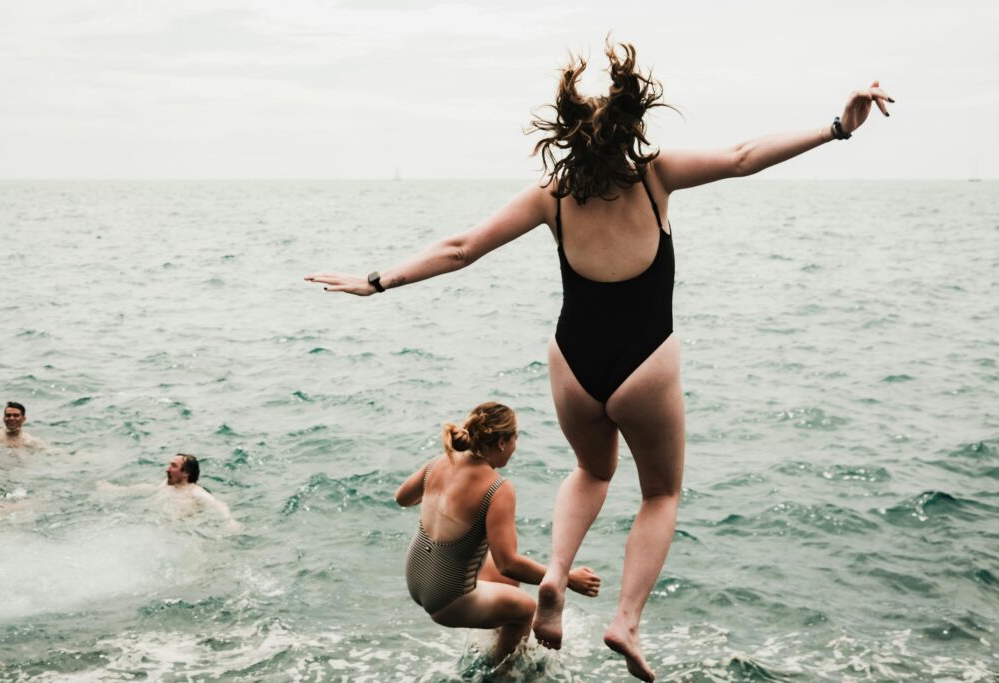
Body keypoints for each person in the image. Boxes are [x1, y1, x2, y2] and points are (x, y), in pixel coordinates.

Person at [307, 40, 892, 681]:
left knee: (590, 468)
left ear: (568, 138)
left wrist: (377, 279)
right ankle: (626, 620)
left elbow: (460, 248)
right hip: (647, 362)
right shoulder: (655, 175)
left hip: (574, 362)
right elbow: (742, 157)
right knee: (661, 492)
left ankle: (554, 574)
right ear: (630, 127)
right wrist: (836, 128)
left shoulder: (551, 196)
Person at [395, 402, 600, 665]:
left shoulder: (440, 462)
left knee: (501, 573)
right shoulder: (497, 488)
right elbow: (509, 564)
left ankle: (495, 637)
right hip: (447, 600)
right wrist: (568, 578)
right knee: (528, 609)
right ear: (502, 442)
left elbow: (402, 498)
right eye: (515, 438)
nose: (515, 446)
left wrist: (439, 501)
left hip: (416, 579)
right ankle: (503, 674)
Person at [97, 453, 241, 531]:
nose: (167, 469)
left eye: (173, 466)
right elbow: (147, 489)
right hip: (160, 525)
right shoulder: (167, 484)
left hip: (183, 531)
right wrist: (113, 490)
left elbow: (219, 505)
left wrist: (230, 521)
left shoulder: (196, 492)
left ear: (185, 473)